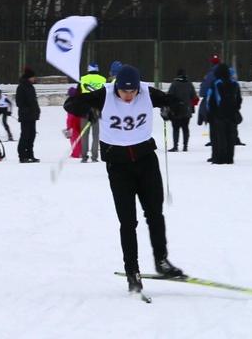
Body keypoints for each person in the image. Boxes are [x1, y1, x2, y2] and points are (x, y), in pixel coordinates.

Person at [63, 65, 187, 293]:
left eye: (132, 92)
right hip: (118, 165)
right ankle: (132, 271)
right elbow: (70, 104)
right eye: (124, 92)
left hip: (145, 160)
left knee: (155, 214)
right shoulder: (106, 93)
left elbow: (177, 103)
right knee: (128, 222)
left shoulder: (147, 92)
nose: (129, 96)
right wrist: (88, 111)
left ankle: (162, 261)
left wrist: (172, 110)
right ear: (117, 87)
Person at [206, 63, 242, 164]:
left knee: (220, 137)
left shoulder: (216, 83)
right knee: (230, 137)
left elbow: (210, 100)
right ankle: (229, 158)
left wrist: (210, 113)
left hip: (219, 115)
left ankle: (219, 158)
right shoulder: (235, 84)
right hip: (232, 114)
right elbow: (239, 99)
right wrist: (236, 109)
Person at [79, 62, 107, 163]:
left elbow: (78, 95)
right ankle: (94, 156)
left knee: (84, 134)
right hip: (96, 110)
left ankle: (84, 156)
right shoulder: (103, 79)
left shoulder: (83, 79)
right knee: (96, 135)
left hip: (85, 110)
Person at [166, 68, 198, 152]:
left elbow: (169, 96)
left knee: (175, 129)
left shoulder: (174, 84)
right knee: (185, 128)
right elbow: (194, 98)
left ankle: (175, 146)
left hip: (176, 110)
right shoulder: (189, 84)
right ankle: (185, 146)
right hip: (187, 110)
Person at [15, 67, 41, 163]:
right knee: (25, 135)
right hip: (26, 116)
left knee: (32, 135)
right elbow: (19, 102)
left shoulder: (30, 87)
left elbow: (33, 101)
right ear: (29, 77)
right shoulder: (21, 87)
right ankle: (22, 155)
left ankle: (30, 154)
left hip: (32, 116)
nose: (35, 79)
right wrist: (28, 110)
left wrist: (36, 111)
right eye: (34, 77)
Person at [199, 55, 221, 158]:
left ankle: (215, 153)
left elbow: (203, 92)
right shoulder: (226, 74)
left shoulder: (210, 75)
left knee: (214, 129)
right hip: (226, 107)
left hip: (213, 107)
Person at [229, 67, 246, 146]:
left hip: (229, 108)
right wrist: (237, 107)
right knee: (233, 125)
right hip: (234, 108)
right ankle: (234, 139)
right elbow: (238, 97)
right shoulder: (235, 84)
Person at [65, 86, 82, 158]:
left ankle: (76, 154)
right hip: (80, 121)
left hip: (73, 124)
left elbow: (70, 118)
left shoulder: (70, 104)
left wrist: (68, 127)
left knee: (74, 139)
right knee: (81, 138)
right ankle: (82, 151)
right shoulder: (79, 101)